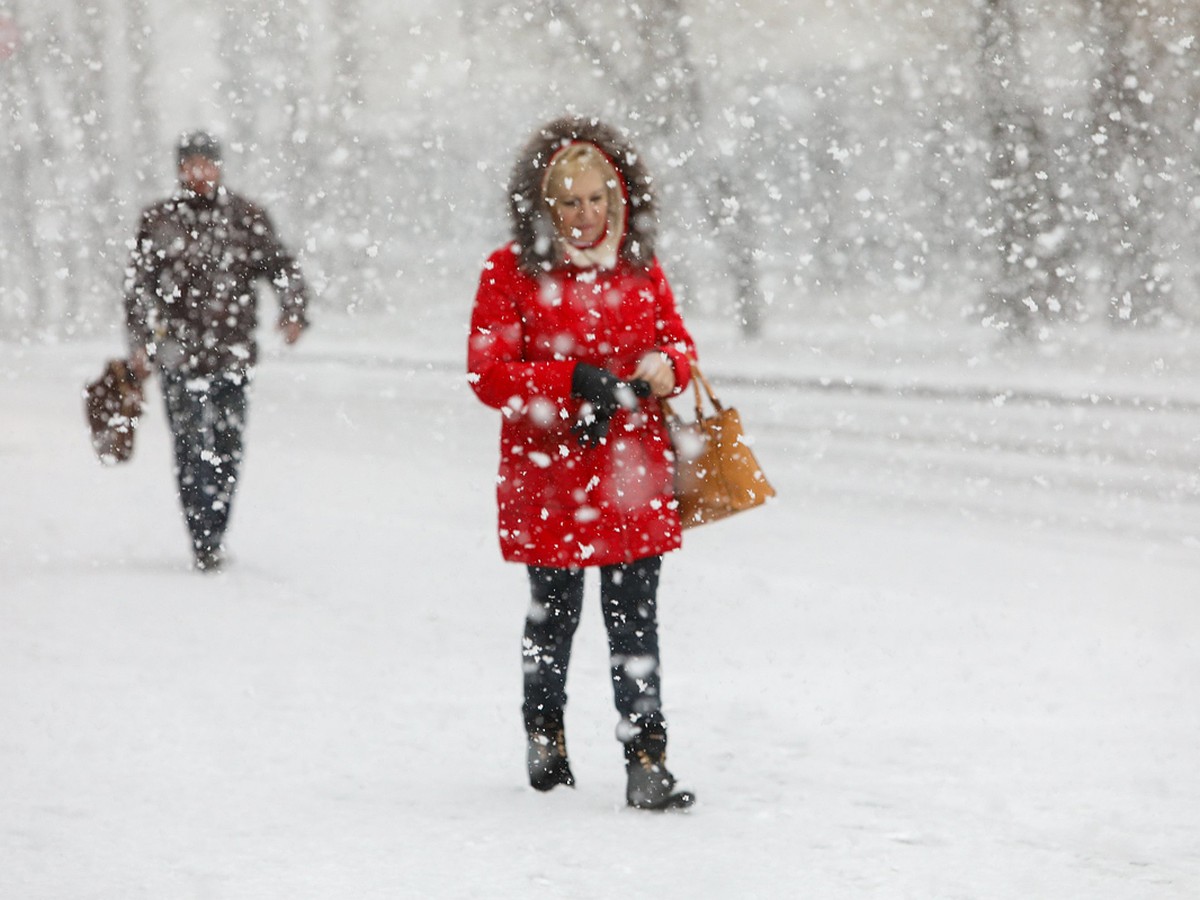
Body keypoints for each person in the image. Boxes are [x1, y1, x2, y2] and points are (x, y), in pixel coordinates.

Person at [467, 117, 698, 810]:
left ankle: (647, 758)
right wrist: (569, 381)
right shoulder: (508, 272)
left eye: (597, 198)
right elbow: (488, 373)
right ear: (542, 206)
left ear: (618, 196)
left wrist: (667, 367)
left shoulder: (640, 265)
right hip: (550, 475)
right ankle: (546, 739)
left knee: (635, 624)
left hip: (632, 477)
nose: (585, 213)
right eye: (568, 201)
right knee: (554, 617)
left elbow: (680, 349)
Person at [124, 130, 310, 572]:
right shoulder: (158, 221)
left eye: (206, 164)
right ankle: (202, 538)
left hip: (232, 355)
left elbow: (282, 267)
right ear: (179, 168)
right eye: (190, 164)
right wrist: (139, 345)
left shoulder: (246, 217)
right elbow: (137, 290)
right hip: (177, 355)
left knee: (227, 448)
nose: (199, 173)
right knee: (190, 449)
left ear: (219, 167)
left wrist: (294, 310)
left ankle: (217, 527)